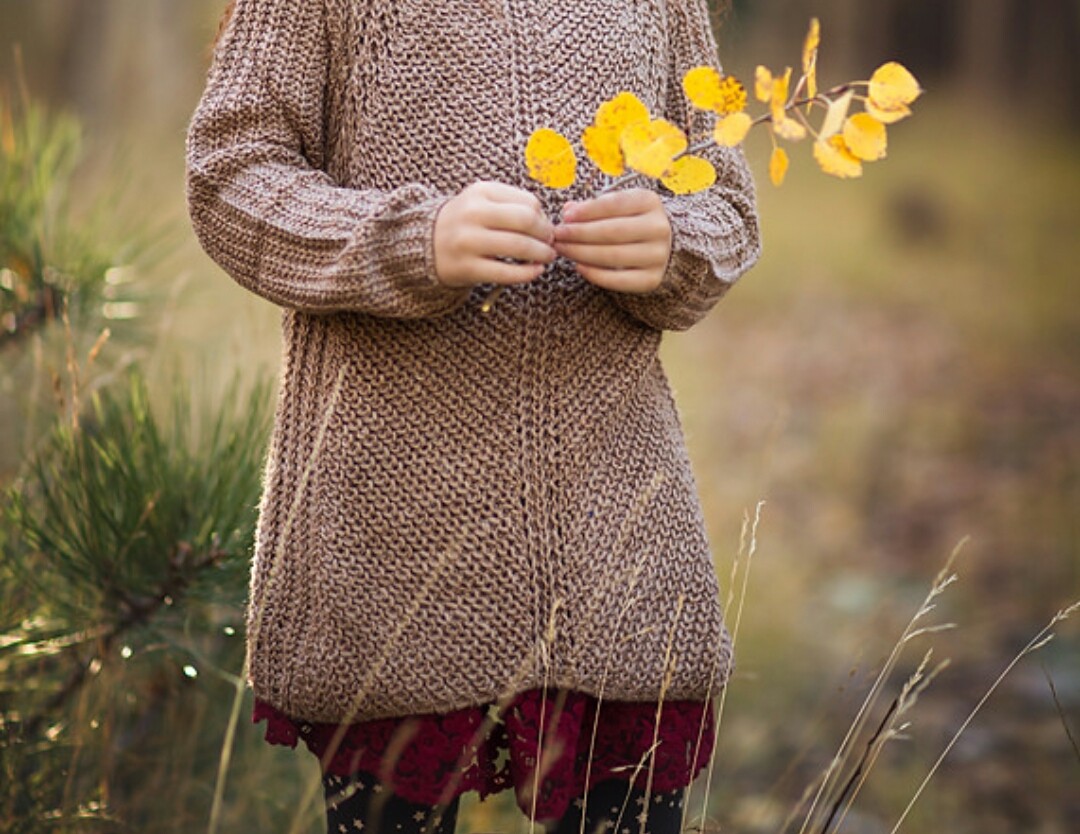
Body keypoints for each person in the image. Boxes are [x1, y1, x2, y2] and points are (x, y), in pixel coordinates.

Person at [186, 0, 760, 832]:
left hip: (615, 536)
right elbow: (230, 173)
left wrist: (677, 244)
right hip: (392, 542)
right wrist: (412, 239)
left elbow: (726, 197)